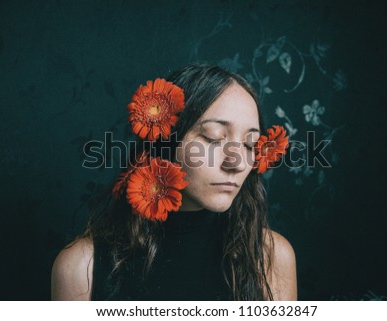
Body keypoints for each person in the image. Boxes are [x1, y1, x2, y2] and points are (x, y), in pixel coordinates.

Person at [51, 64, 297, 300]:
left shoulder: (271, 258)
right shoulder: (82, 266)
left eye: (249, 144)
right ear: (167, 142)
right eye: (214, 139)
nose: (238, 163)